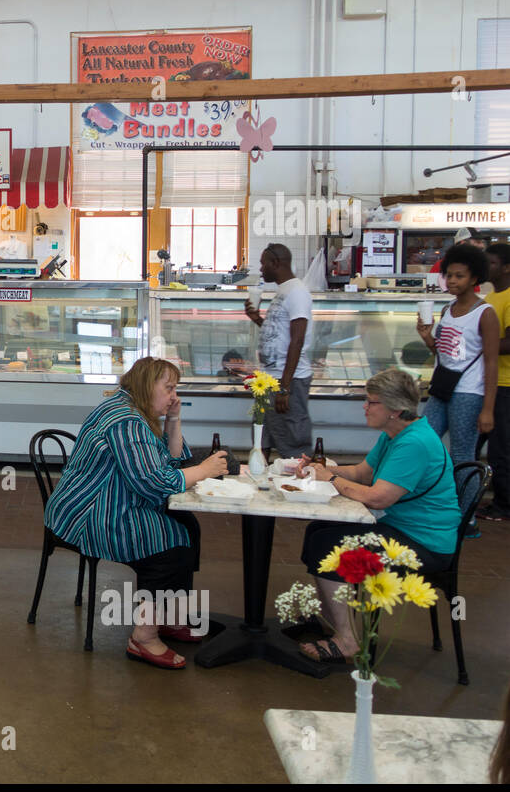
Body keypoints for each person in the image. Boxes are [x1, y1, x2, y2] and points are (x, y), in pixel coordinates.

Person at [43, 357, 229, 670]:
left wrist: (173, 421)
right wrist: (205, 469)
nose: (174, 396)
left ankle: (166, 617)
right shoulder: (126, 420)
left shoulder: (134, 410)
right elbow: (155, 482)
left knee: (186, 525)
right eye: (168, 388)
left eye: (175, 389)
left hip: (110, 498)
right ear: (146, 386)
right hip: (88, 511)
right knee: (169, 545)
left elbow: (171, 463)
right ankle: (142, 638)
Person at [294, 368, 461, 663]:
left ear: (395, 410)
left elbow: (377, 496)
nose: (364, 407)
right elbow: (362, 472)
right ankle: (332, 621)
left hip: (425, 544)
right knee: (318, 530)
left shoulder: (414, 443)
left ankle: (347, 640)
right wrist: (322, 469)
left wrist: (329, 480)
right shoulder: (396, 433)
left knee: (329, 545)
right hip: (403, 529)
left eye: (372, 402)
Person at [416, 241, 499, 533]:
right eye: (449, 275)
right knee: (423, 441)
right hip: (442, 390)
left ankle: (467, 518)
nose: (452, 281)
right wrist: (427, 338)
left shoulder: (485, 313)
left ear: (475, 278)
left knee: (463, 454)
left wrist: (488, 408)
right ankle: (436, 505)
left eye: (459, 275)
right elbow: (445, 352)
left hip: (469, 392)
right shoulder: (448, 309)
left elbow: (491, 362)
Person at [245, 243, 314, 458]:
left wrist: (284, 388)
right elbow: (279, 332)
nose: (261, 269)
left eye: (263, 263)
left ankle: (297, 486)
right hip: (269, 380)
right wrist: (257, 319)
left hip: (287, 381)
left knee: (292, 443)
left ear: (276, 263)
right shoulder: (283, 291)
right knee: (261, 437)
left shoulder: (297, 293)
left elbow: (297, 340)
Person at [478, 243, 510, 521]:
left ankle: (504, 505)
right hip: (489, 382)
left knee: (501, 449)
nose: (486, 267)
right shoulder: (492, 298)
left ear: (506, 267)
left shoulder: (509, 297)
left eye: (491, 263)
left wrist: (479, 342)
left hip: (506, 383)